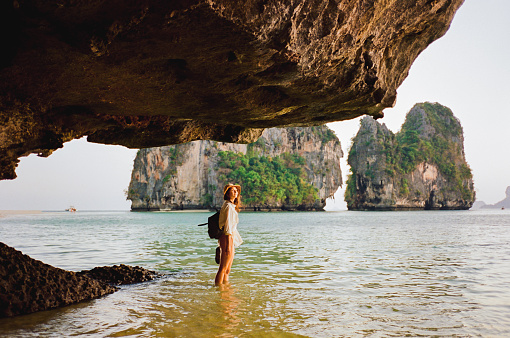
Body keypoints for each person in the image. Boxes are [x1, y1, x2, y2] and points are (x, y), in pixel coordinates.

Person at [215, 183, 243, 285]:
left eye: (236, 190)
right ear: (227, 193)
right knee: (223, 268)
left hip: (229, 238)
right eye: (233, 190)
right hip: (227, 238)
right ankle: (218, 289)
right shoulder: (228, 206)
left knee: (227, 270)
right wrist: (228, 246)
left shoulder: (231, 206)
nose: (235, 192)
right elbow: (227, 229)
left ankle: (225, 290)